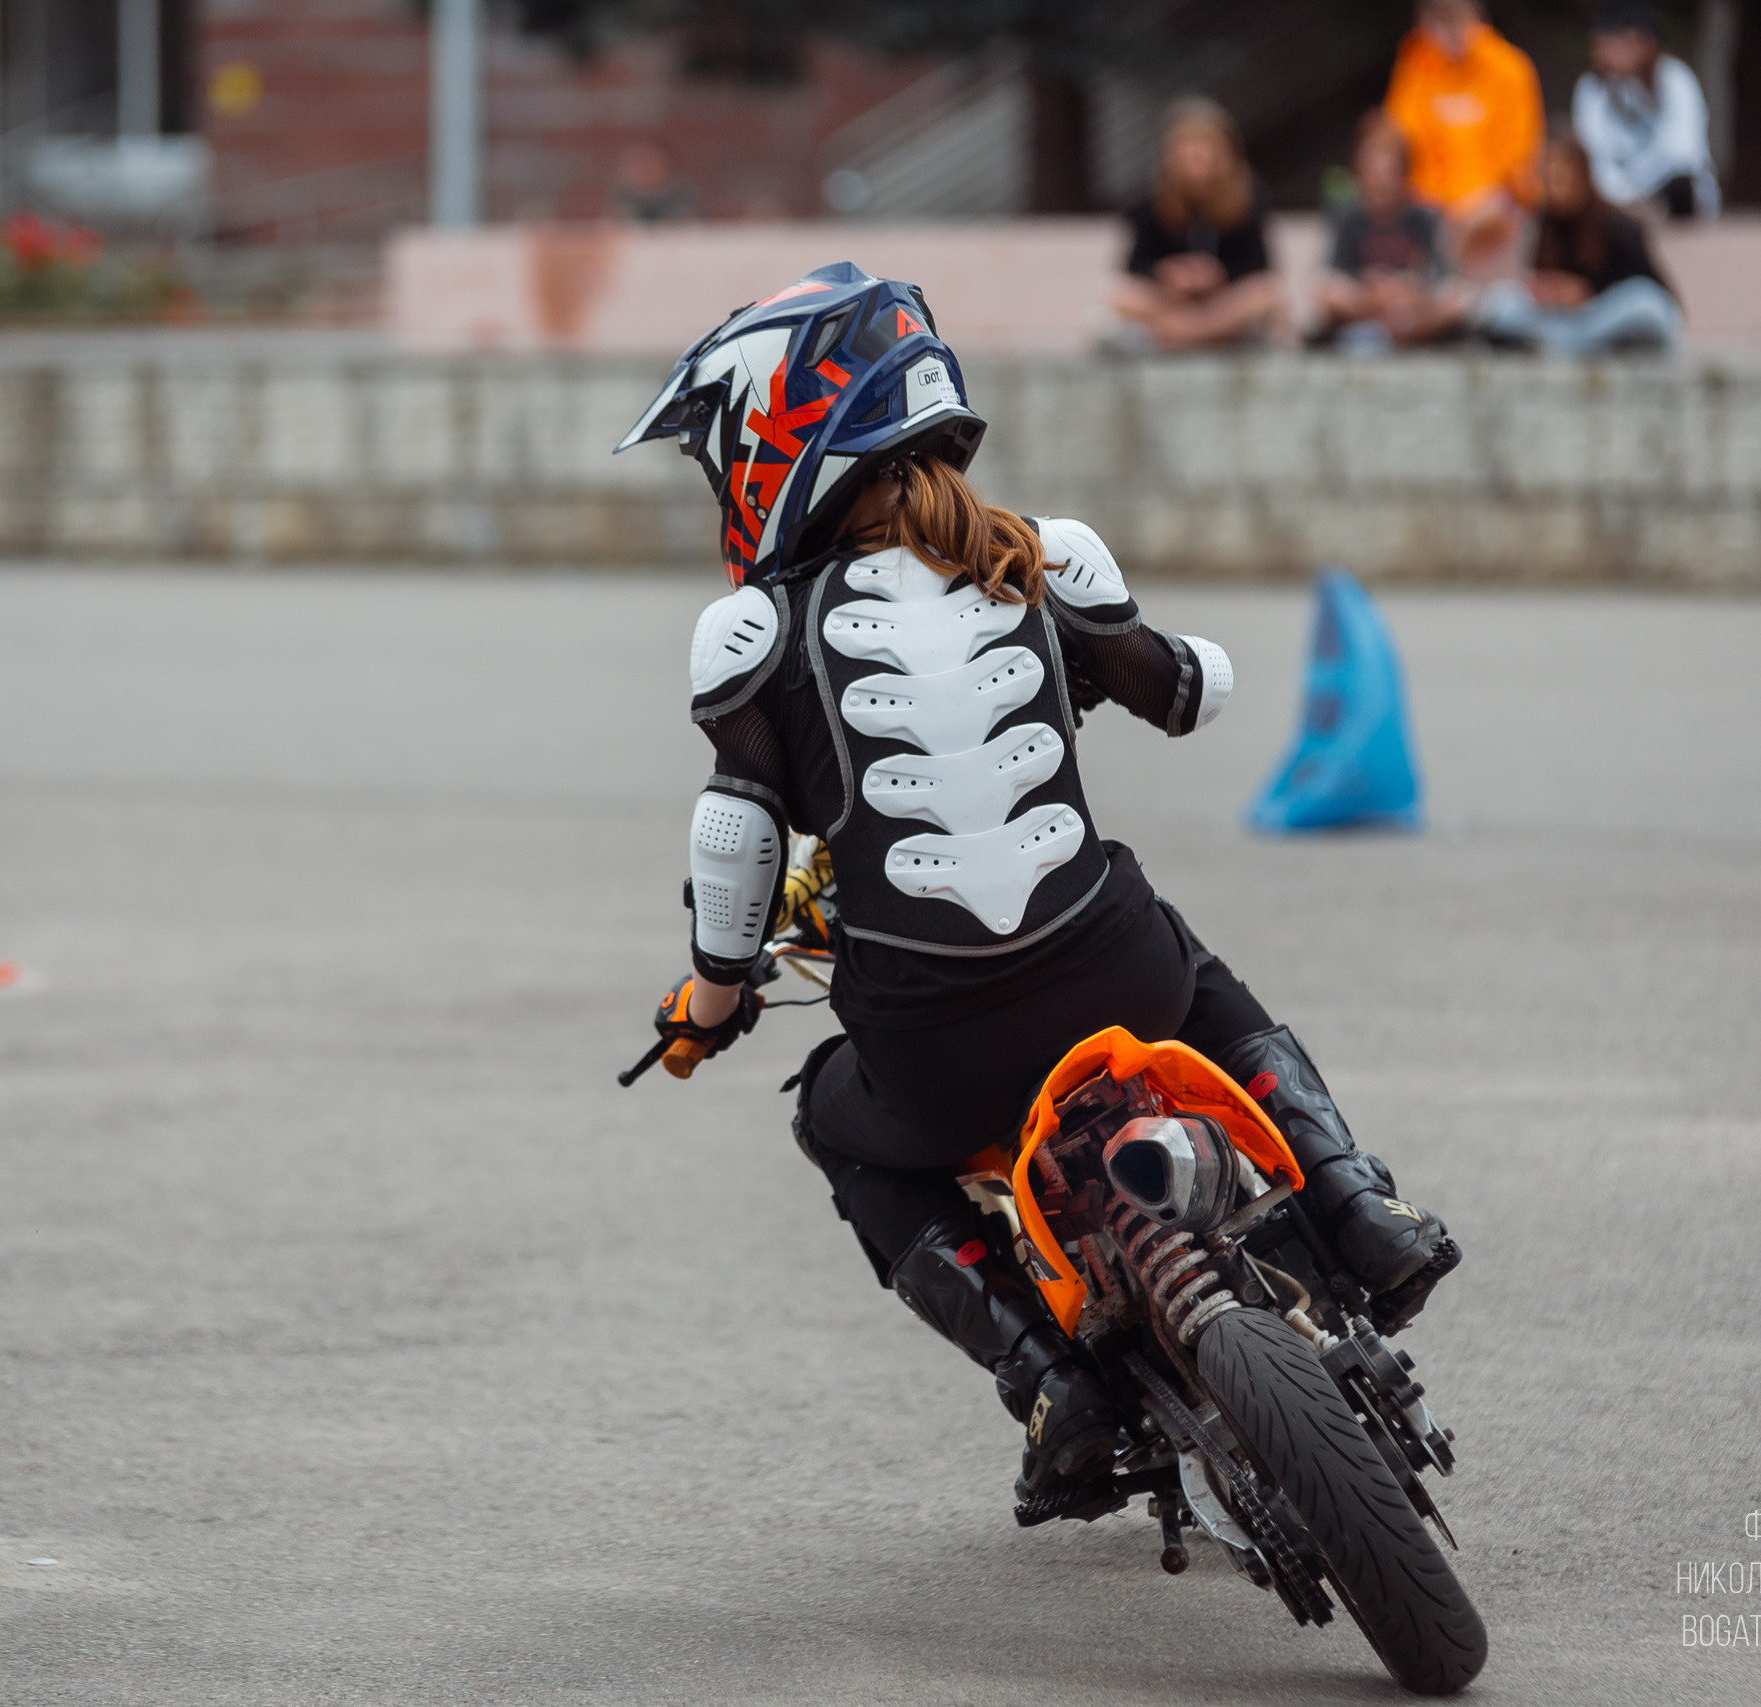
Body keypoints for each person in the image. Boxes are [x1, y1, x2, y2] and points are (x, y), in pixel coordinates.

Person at [616, 262, 1459, 1511]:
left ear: (775, 439)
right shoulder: (1041, 559)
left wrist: (712, 995)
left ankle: (1050, 1383)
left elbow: (737, 833)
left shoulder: (755, 633)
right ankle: (1356, 1207)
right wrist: (1125, 660)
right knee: (1211, 993)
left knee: (836, 1125)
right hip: (1113, 969)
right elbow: (1189, 690)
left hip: (933, 1045)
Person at [1476, 134, 1681, 355]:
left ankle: (1566, 347)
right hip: (1561, 323)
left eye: (1562, 180)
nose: (1555, 189)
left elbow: (1651, 289)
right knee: (1501, 300)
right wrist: (1549, 291)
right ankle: (1571, 346)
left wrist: (1588, 291)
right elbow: (1537, 279)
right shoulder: (1544, 223)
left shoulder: (1615, 222)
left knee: (1647, 305)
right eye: (1550, 180)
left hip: (1603, 317)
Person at [1110, 99, 1287, 351]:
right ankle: (1204, 334)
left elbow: (1260, 268)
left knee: (1264, 295)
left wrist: (1218, 276)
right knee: (1122, 297)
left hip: (1222, 303)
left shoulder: (1248, 200)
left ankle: (1185, 334)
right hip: (1173, 302)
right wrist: (1168, 275)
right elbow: (1135, 267)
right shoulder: (1151, 204)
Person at [1383, 0, 1544, 274]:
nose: (1450, 33)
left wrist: (1485, 198)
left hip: (1496, 202)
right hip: (1432, 204)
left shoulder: (1509, 67)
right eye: (1440, 22)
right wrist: (1432, 198)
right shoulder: (1417, 66)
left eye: (1457, 19)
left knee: (1491, 220)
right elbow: (1402, 138)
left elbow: (1521, 150)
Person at [1316, 111, 1472, 351]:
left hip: (1413, 307)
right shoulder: (1349, 218)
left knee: (1460, 299)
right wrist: (1372, 288)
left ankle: (1391, 335)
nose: (1381, 179)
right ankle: (1398, 334)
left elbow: (1443, 276)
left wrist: (1410, 288)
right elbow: (1336, 276)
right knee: (1331, 295)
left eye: (1389, 169)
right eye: (1372, 169)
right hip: (1370, 305)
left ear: (1403, 172)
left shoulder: (1425, 217)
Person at [1571, 0, 1717, 220]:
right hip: (1616, 202)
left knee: (1681, 187)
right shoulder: (1592, 86)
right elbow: (1593, 155)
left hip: (1670, 198)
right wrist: (1624, 197)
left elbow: (1682, 154)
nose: (1601, 51)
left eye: (1612, 42)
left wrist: (1640, 196)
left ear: (1644, 42)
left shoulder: (1675, 79)